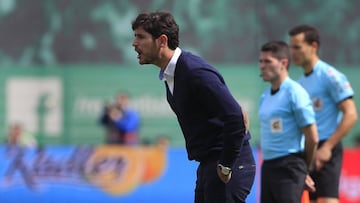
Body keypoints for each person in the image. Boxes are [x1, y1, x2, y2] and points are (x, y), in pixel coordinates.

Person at [131, 11, 255, 203]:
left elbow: (235, 116)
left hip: (228, 164)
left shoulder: (194, 71)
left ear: (161, 40)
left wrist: (225, 164)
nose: (134, 43)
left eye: (140, 37)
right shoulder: (172, 73)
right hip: (209, 164)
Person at [288, 25, 358, 203]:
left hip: (327, 147)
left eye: (297, 47)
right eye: (291, 47)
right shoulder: (300, 83)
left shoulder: (330, 76)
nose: (292, 52)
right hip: (308, 150)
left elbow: (350, 114)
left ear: (313, 46)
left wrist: (327, 148)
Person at [258, 41, 319, 203]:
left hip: (290, 166)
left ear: (283, 63)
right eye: (261, 61)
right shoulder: (264, 97)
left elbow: (312, 138)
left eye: (268, 61)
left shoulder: (295, 93)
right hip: (268, 166)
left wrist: (303, 170)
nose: (262, 66)